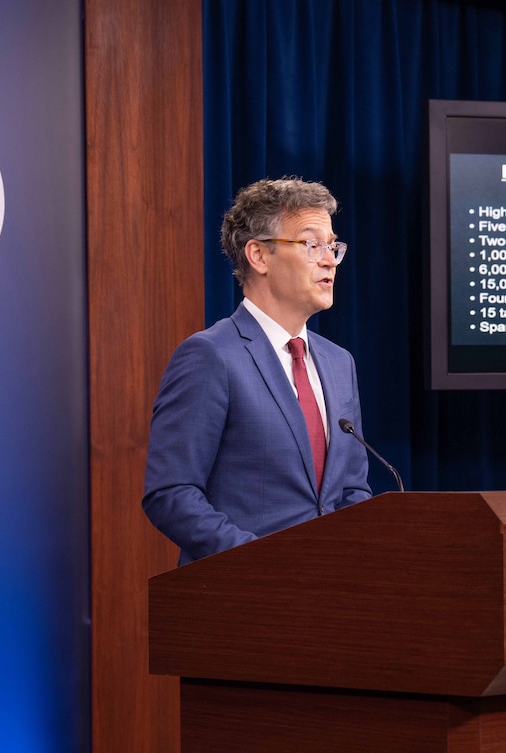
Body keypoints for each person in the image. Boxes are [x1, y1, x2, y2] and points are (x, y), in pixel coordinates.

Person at [143, 177, 372, 565]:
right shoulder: (210, 356)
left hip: (331, 595)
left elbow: (353, 488)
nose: (330, 259)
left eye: (333, 245)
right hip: (244, 596)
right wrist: (261, 560)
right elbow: (171, 493)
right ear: (259, 256)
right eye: (311, 244)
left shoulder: (338, 362)